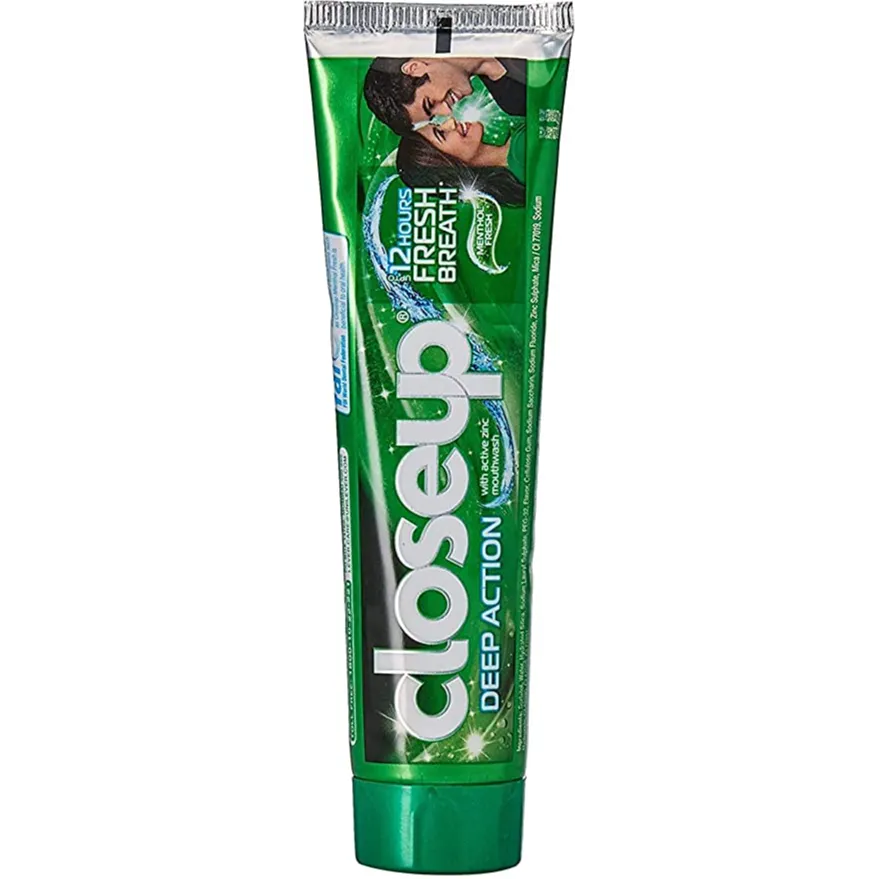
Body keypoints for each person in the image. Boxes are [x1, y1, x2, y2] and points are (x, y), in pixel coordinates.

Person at [364, 57, 526, 136]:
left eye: (430, 103)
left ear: (415, 68)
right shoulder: (514, 99)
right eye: (434, 115)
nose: (447, 111)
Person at [396, 116, 526, 207]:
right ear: (448, 166)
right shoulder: (522, 148)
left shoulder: (513, 177)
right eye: (442, 134)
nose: (450, 122)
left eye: (438, 125)